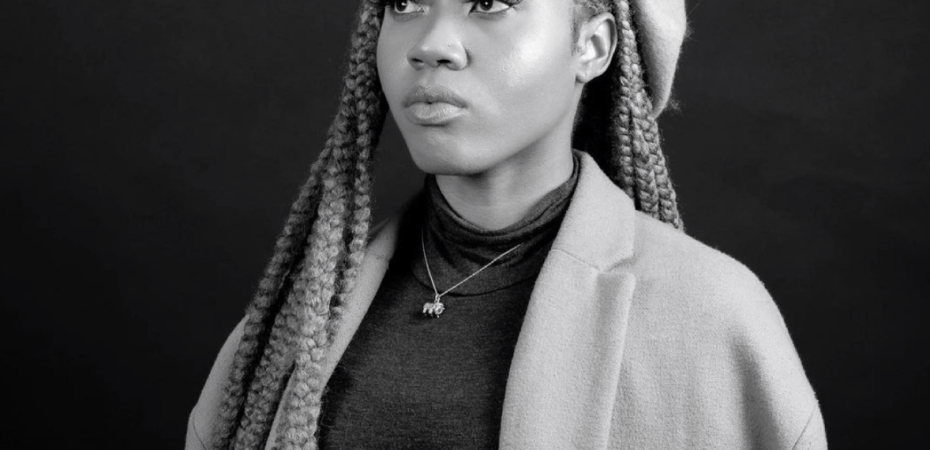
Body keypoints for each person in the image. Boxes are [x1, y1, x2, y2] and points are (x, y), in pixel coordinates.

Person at [186, 0, 827, 449]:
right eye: (404, 3)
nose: (430, 43)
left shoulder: (712, 318)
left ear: (592, 46)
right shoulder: (298, 319)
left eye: (490, 3)